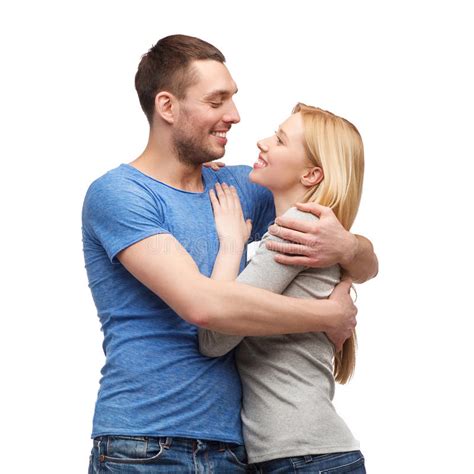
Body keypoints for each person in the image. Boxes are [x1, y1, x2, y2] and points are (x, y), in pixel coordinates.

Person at [83, 34, 377, 473]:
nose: (234, 116)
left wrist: (349, 246)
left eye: (232, 100)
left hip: (237, 451)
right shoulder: (121, 195)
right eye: (217, 101)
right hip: (145, 443)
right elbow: (203, 306)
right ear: (167, 107)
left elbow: (347, 244)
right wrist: (328, 317)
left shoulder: (237, 187)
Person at [199, 103, 367, 473]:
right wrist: (199, 175)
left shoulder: (296, 230)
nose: (262, 142)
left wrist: (231, 246)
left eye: (279, 140)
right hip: (307, 455)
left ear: (311, 175)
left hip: (301, 458)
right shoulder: (316, 227)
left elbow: (214, 338)